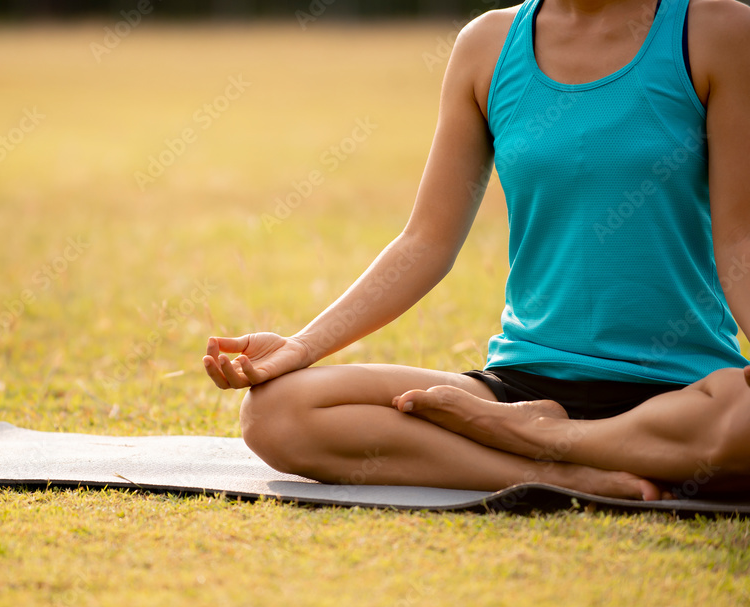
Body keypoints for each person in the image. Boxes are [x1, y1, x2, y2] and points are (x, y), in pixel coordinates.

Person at [203, 0, 750, 500]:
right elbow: (425, 242)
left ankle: (544, 439)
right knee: (276, 414)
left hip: (684, 393)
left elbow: (739, 243)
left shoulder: (720, 32)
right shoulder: (488, 44)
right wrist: (301, 346)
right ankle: (565, 473)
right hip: (523, 386)